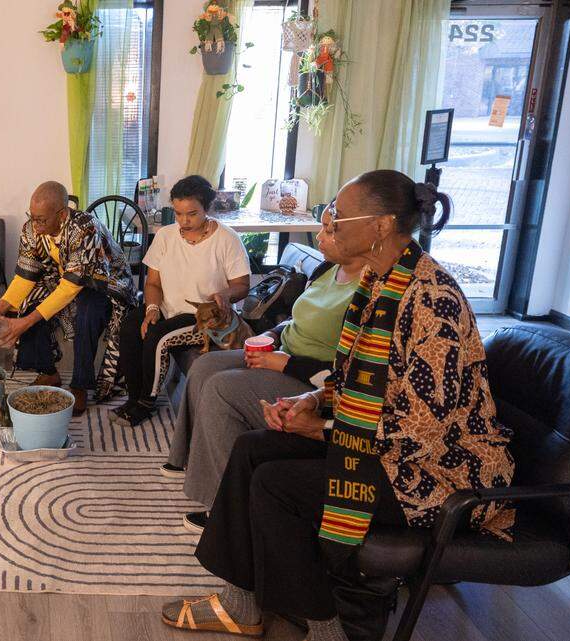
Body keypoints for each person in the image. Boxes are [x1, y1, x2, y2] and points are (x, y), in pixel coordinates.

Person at [161, 170, 515, 641]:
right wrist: (309, 401)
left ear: (382, 226)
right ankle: (241, 604)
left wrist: (321, 428)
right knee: (251, 450)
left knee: (274, 484)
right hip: (386, 448)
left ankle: (329, 630)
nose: (331, 222)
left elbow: (426, 429)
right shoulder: (377, 283)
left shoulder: (432, 300)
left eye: (341, 216)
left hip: (432, 474)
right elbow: (357, 383)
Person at [164, 221, 367, 532]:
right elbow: (295, 320)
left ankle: (226, 512)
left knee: (221, 388)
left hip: (308, 379)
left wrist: (284, 364)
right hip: (281, 353)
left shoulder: (369, 291)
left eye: (330, 230)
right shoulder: (327, 270)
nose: (321, 237)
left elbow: (344, 374)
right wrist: (271, 334)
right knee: (204, 366)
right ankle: (187, 458)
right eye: (323, 227)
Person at [112, 175, 250, 427]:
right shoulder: (166, 236)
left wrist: (226, 295)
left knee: (159, 336)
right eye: (178, 213)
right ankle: (133, 397)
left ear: (207, 209)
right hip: (169, 308)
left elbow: (242, 285)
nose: (183, 221)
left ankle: (146, 402)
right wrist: (152, 308)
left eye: (192, 214)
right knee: (132, 326)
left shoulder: (228, 240)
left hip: (205, 316)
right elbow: (153, 283)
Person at [0, 181, 135, 415]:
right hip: (65, 278)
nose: (35, 225)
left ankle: (80, 385)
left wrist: (24, 324)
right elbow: (26, 274)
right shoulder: (30, 229)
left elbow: (70, 288)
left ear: (63, 214)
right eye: (32, 217)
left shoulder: (85, 229)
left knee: (87, 311)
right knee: (30, 303)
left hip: (105, 283)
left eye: (41, 220)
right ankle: (48, 372)